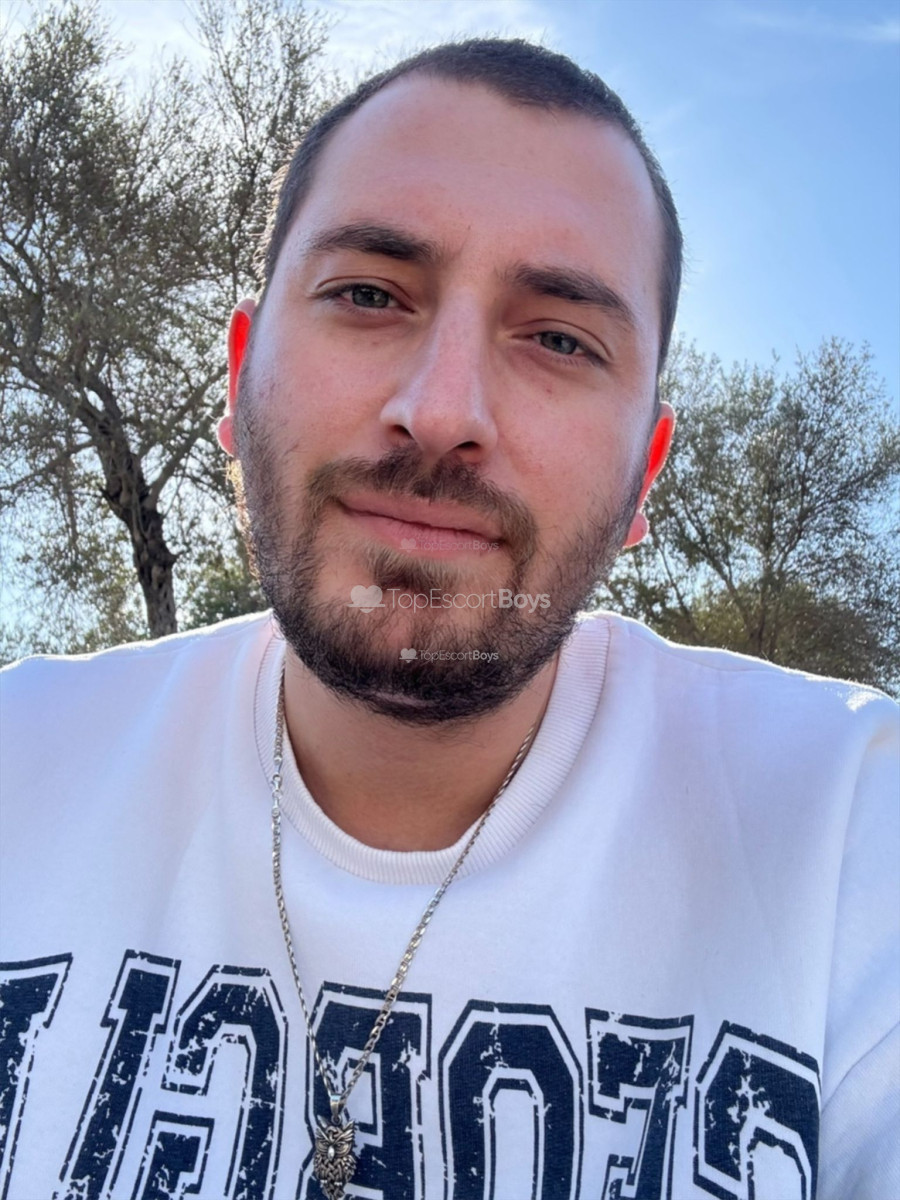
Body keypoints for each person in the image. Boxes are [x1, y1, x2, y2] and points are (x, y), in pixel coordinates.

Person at [0, 37, 896, 1200]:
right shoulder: (20, 764)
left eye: (560, 338)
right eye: (369, 294)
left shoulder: (853, 829)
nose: (439, 411)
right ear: (238, 377)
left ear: (645, 473)